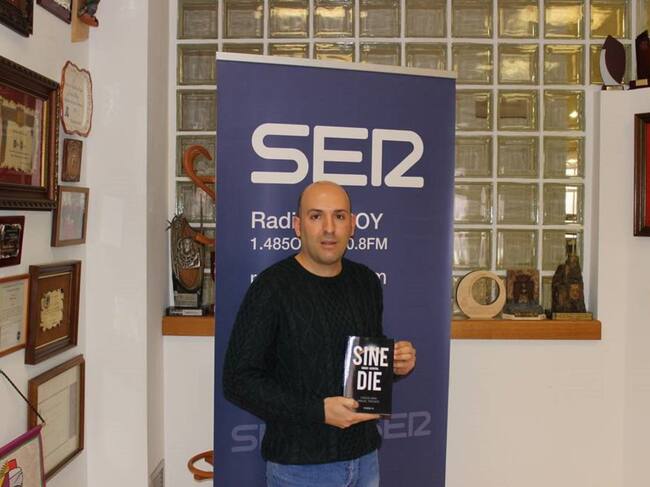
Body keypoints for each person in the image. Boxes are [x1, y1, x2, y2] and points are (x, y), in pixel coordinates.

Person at [223, 181, 416, 487]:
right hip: (300, 471)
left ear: (352, 225)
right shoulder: (271, 288)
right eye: (316, 216)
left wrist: (394, 365)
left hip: (365, 460)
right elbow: (238, 381)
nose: (329, 228)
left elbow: (364, 366)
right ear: (298, 226)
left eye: (339, 216)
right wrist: (318, 411)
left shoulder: (365, 282)